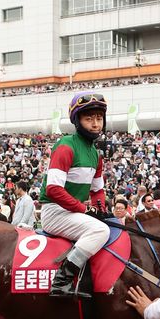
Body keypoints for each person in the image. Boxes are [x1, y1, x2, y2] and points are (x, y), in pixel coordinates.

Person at [39, 92, 109, 298]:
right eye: (89, 119)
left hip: (73, 213)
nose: (95, 124)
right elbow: (53, 189)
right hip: (55, 213)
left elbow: (97, 190)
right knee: (100, 232)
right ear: (77, 121)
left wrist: (101, 209)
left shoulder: (96, 154)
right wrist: (85, 209)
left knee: (111, 224)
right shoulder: (65, 145)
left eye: (99, 118)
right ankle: (61, 281)